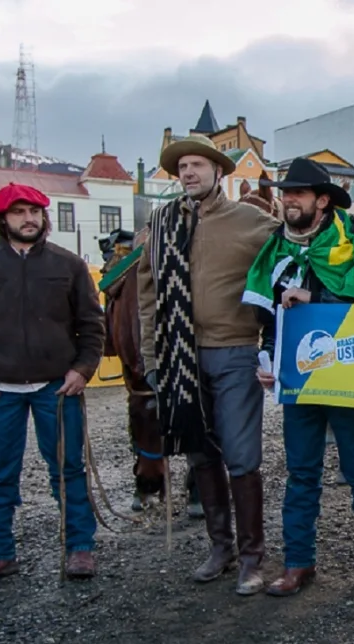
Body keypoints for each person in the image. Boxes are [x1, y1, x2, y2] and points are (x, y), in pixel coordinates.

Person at [137, 135, 280, 595]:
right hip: (178, 354)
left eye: (198, 164)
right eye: (182, 168)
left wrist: (352, 231)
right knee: (200, 451)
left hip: (236, 350)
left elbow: (299, 247)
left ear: (220, 171)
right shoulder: (160, 224)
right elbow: (146, 296)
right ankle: (221, 548)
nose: (189, 173)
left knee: (241, 455)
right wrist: (151, 356)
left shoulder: (252, 222)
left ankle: (252, 556)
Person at [242, 157, 354, 598]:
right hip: (299, 379)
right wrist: (267, 360)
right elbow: (270, 317)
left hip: (347, 374)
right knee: (300, 473)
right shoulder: (274, 248)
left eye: (298, 193)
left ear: (322, 201)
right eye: (285, 193)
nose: (288, 200)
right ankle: (297, 563)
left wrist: (316, 296)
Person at [0, 184, 106, 584]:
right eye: (18, 212)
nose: (28, 219)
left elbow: (91, 324)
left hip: (57, 386)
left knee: (68, 470)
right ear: (2, 219)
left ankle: (79, 548)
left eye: (34, 211)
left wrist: (82, 369)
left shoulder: (68, 266)